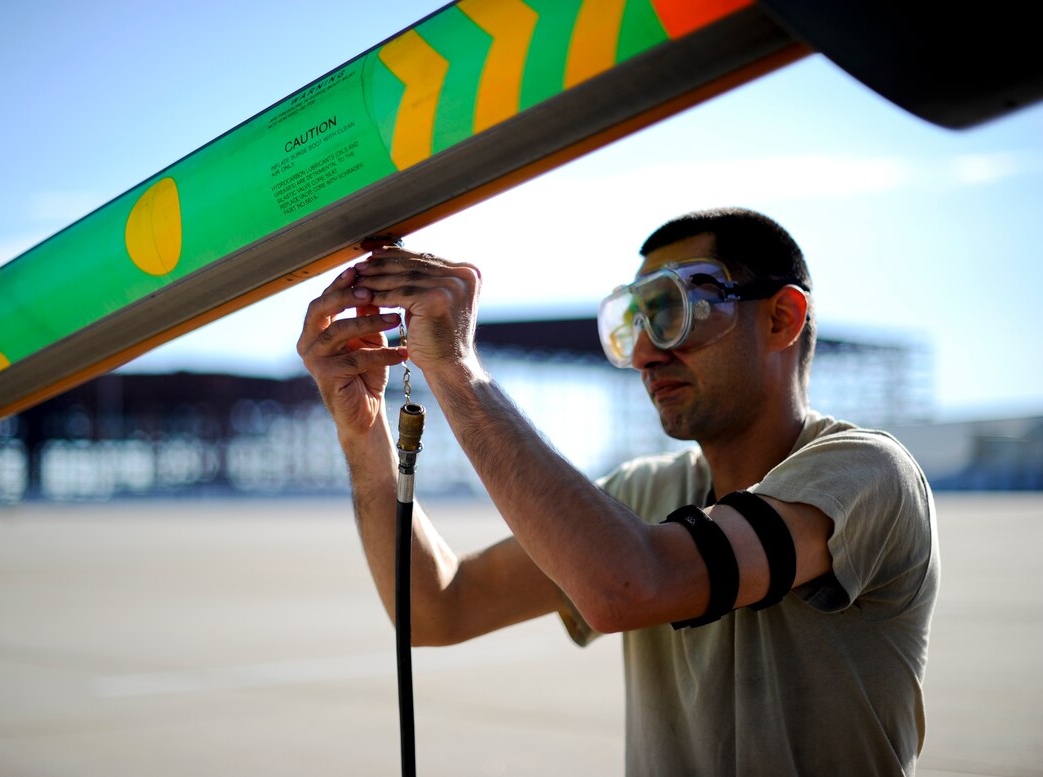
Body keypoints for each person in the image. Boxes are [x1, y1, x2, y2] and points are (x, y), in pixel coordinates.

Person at [297, 207, 939, 776]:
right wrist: (365, 435)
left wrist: (457, 371)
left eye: (680, 311)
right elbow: (438, 608)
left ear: (781, 317)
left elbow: (630, 585)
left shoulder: (866, 474)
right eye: (636, 324)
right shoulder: (649, 492)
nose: (648, 355)